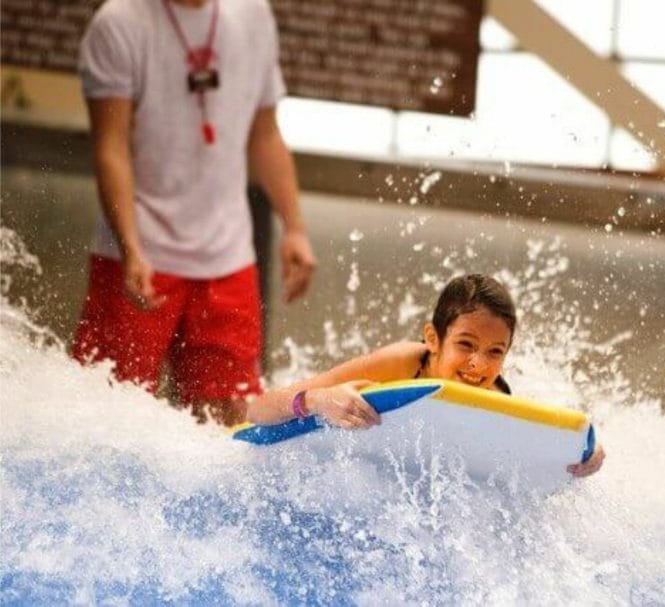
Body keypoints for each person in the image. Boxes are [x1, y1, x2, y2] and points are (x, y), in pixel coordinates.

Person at [72, 0, 316, 426]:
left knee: (226, 422)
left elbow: (265, 133)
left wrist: (293, 226)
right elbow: (111, 147)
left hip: (227, 257)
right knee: (107, 416)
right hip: (138, 254)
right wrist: (131, 247)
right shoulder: (119, 22)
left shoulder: (252, 14)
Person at [247, 274, 606, 478]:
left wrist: (584, 453)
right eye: (466, 344)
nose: (479, 365)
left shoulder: (496, 399)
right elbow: (257, 410)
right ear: (433, 338)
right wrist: (319, 399)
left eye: (495, 352)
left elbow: (528, 452)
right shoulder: (400, 363)